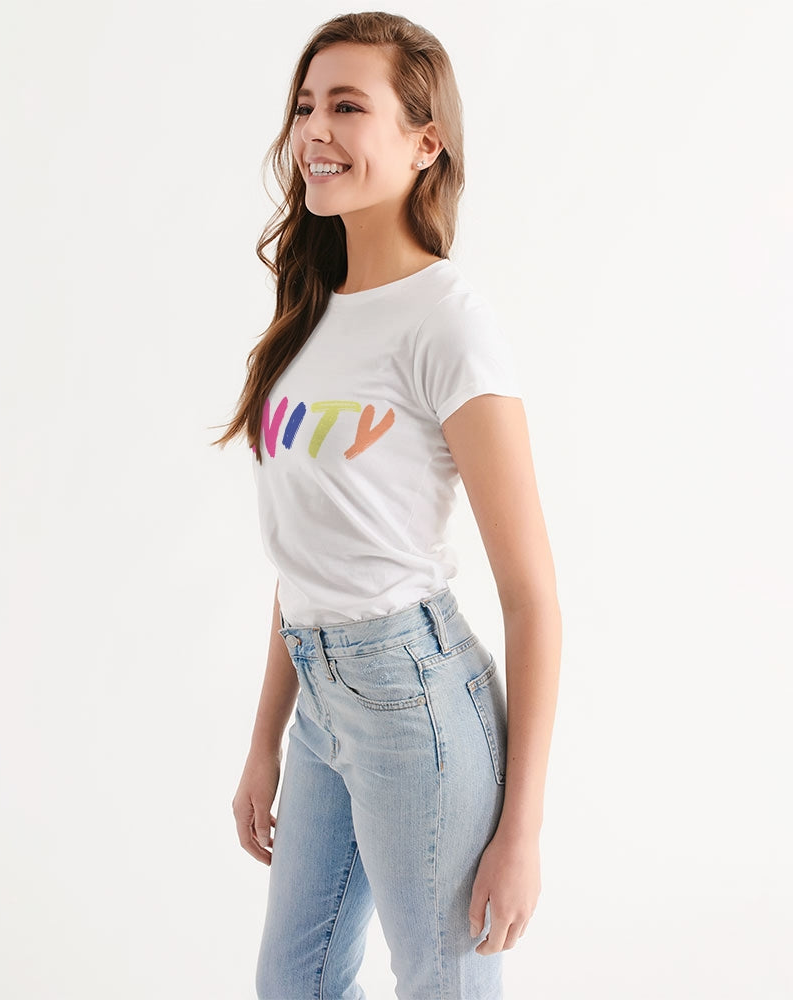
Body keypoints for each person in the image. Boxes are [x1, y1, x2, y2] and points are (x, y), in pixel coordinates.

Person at [212, 11, 562, 999]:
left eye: (346, 106)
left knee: (446, 986)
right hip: (320, 702)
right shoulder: (308, 318)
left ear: (424, 144)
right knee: (294, 984)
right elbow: (309, 558)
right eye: (304, 106)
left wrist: (522, 831)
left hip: (417, 704)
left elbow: (533, 597)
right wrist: (264, 741)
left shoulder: (448, 323)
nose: (314, 131)